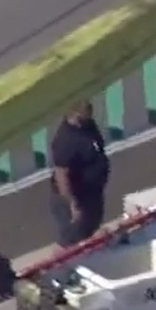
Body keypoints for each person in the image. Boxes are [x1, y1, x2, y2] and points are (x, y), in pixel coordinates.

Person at [50, 101, 111, 247]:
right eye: (85, 115)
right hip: (76, 199)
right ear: (75, 116)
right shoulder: (65, 140)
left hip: (92, 194)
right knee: (74, 240)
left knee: (92, 233)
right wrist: (73, 204)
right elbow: (61, 175)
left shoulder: (87, 126)